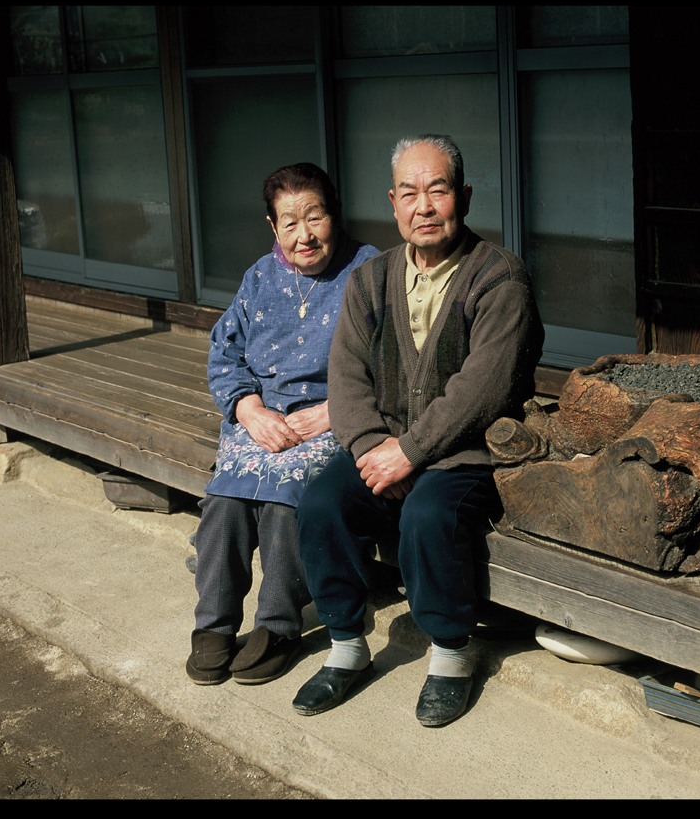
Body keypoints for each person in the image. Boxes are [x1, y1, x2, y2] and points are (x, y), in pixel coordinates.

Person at [291, 135, 544, 726]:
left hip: (465, 451)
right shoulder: (370, 279)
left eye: (438, 189)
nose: (423, 206)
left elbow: (484, 390)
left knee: (429, 515)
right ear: (393, 201)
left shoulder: (500, 278)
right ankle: (347, 646)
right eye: (410, 193)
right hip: (386, 445)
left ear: (465, 196)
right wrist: (373, 450)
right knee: (323, 503)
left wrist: (410, 453)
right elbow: (346, 379)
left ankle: (451, 655)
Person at [186, 163, 378, 687]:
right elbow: (224, 353)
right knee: (224, 502)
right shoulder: (259, 277)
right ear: (273, 227)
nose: (304, 235)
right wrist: (248, 409)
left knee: (281, 500)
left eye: (314, 218)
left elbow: (399, 365)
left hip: (334, 418)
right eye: (289, 223)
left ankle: (278, 626)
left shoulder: (370, 272)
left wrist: (340, 411)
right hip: (264, 417)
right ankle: (214, 625)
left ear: (334, 215)